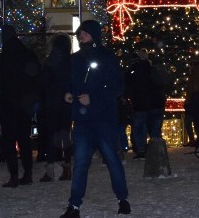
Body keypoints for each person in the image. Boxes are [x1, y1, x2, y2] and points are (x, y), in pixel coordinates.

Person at [61, 20, 130, 218]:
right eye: (79, 32)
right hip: (83, 122)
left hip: (103, 119)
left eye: (84, 32)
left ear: (94, 34)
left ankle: (122, 199)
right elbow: (70, 82)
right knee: (81, 162)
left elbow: (117, 86)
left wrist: (94, 97)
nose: (80, 35)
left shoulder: (107, 57)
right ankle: (74, 206)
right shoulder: (76, 59)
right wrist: (68, 93)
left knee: (112, 160)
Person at [0, 24, 41, 187]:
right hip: (25, 104)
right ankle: (28, 172)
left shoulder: (1, 59)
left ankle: (14, 175)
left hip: (8, 103)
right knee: (24, 138)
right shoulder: (28, 56)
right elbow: (36, 80)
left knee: (9, 140)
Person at [39, 34, 73, 182]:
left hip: (51, 103)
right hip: (66, 103)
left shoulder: (50, 61)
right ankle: (67, 167)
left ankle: (50, 169)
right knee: (65, 134)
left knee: (51, 135)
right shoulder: (70, 61)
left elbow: (43, 82)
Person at [124, 45, 166, 159]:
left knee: (139, 128)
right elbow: (161, 84)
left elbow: (127, 88)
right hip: (156, 103)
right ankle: (158, 151)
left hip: (140, 104)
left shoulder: (132, 72)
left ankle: (141, 151)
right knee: (155, 129)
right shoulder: (152, 69)